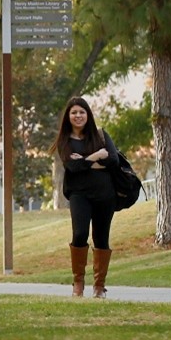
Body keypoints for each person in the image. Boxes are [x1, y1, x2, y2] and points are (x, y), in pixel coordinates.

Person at [55, 97, 122, 298]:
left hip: (104, 194)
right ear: (68, 116)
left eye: (82, 112)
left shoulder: (100, 135)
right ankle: (78, 282)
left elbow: (114, 160)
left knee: (101, 237)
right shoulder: (64, 140)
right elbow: (72, 167)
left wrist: (84, 162)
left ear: (88, 115)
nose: (78, 116)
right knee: (79, 233)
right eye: (74, 112)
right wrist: (95, 156)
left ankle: (99, 286)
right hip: (79, 194)